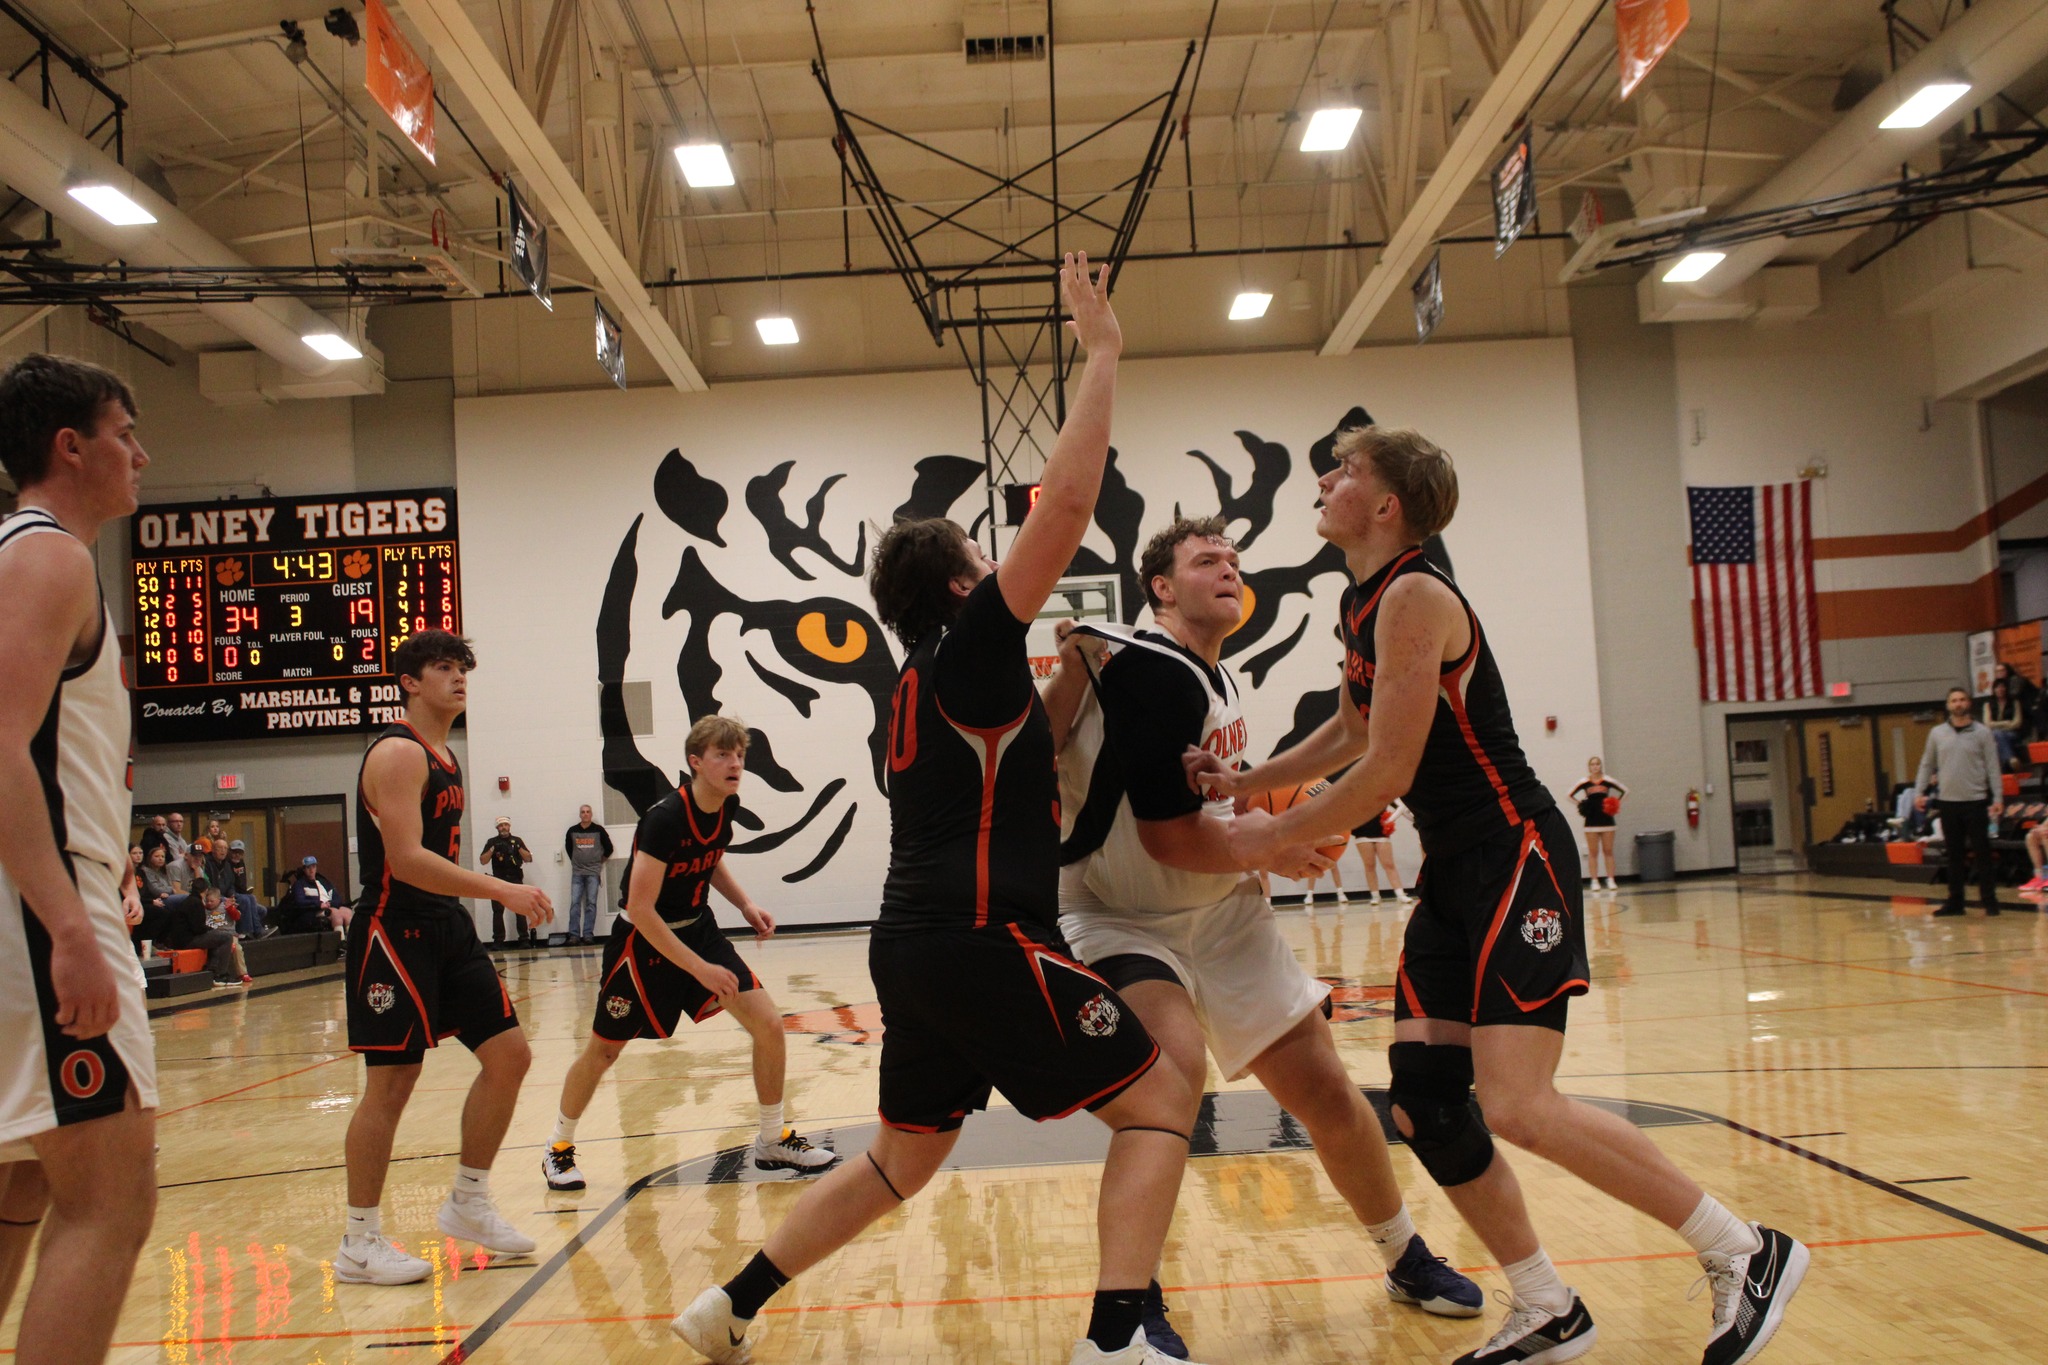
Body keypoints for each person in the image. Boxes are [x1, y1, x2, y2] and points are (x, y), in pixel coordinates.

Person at [675, 254, 1201, 1365]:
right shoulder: (970, 646)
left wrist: (1069, 680)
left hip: (910, 949)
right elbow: (1063, 504)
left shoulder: (920, 685)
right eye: (984, 556)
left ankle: (730, 1302)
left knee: (900, 1160)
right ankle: (1117, 1336)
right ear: (965, 584)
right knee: (1161, 1098)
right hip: (982, 943)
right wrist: (1100, 350)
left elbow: (1022, 758)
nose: (1001, 564)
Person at [1188, 425, 1806, 1365]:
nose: (1324, 478)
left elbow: (1388, 767)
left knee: (1517, 1101)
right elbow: (1353, 725)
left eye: (1346, 469)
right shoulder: (1365, 602)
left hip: (1516, 853)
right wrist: (1246, 785)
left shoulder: (1418, 596)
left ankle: (1745, 1248)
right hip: (1456, 870)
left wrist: (1267, 835)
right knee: (1428, 1101)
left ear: (1387, 504)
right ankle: (1548, 1302)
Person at [1042, 515, 1482, 1356]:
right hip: (1117, 909)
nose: (1229, 570)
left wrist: (1269, 821)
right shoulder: (1147, 668)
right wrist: (1278, 846)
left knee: (1327, 1092)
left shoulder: (1220, 678)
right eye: (1207, 559)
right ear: (1161, 587)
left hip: (1218, 907)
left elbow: (1212, 814)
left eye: (1235, 559)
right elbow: (1167, 837)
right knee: (1172, 1078)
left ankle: (1403, 1254)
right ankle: (1132, 1299)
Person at [0, 352, 160, 1363]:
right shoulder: (48, 554)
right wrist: (69, 925)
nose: (140, 455)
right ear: (71, 445)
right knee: (110, 1201)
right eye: (125, 434)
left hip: (30, 892)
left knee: (20, 1187)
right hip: (40, 898)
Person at [337, 630, 554, 1286]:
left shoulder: (446, 754)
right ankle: (359, 1240)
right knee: (392, 1085)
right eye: (443, 667)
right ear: (409, 680)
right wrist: (501, 888)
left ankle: (468, 1200)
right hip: (392, 929)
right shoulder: (400, 752)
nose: (459, 677)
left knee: (510, 1055)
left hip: (444, 925)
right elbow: (405, 859)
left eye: (463, 667)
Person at [544, 716, 835, 1194]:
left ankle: (771, 1138)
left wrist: (744, 904)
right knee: (604, 1050)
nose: (734, 763)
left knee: (768, 1023)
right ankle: (558, 1148)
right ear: (695, 762)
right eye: (723, 755)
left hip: (698, 930)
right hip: (642, 942)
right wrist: (699, 968)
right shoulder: (664, 819)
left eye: (739, 755)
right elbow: (640, 908)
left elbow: (711, 856)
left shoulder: (725, 805)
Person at [1915, 686, 2003, 918]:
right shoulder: (1936, 733)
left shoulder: (1983, 733)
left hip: (1975, 801)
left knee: (1982, 854)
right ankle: (1955, 902)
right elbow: (1926, 764)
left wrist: (1998, 797)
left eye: (1962, 699)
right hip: (1948, 802)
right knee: (1954, 855)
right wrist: (1918, 792)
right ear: (1948, 705)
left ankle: (1990, 901)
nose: (1958, 703)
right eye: (1954, 700)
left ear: (1969, 703)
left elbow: (1993, 767)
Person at [162, 881, 249, 985]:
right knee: (226, 938)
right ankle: (222, 975)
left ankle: (212, 970)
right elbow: (198, 928)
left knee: (217, 938)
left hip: (181, 939)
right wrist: (210, 930)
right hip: (187, 941)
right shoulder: (196, 903)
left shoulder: (188, 901)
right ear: (205, 890)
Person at [1567, 759, 1627, 892]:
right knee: (1593, 852)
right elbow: (1569, 795)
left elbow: (1625, 791)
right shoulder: (1584, 782)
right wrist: (1581, 804)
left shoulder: (1607, 780)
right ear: (1589, 767)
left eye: (1597, 764)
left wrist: (1616, 803)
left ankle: (1610, 879)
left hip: (1607, 820)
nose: (1595, 766)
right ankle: (1594, 881)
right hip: (1591, 821)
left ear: (1600, 766)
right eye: (1592, 764)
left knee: (1608, 851)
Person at [478, 817, 536, 948]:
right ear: (497, 828)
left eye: (505, 825)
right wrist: (493, 849)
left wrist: (518, 847)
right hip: (498, 879)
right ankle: (498, 940)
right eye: (500, 825)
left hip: (515, 878)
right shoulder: (492, 842)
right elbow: (483, 860)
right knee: (497, 911)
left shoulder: (517, 841)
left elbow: (528, 858)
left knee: (520, 909)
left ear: (509, 826)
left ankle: (524, 938)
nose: (503, 827)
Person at [562, 805, 615, 945]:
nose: (585, 814)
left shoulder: (599, 830)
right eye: (582, 812)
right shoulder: (572, 831)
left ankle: (588, 935)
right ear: (580, 815)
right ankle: (573, 935)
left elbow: (609, 848)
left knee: (591, 904)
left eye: (588, 812)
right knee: (575, 904)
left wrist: (598, 862)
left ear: (591, 814)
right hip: (577, 873)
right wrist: (577, 861)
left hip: (593, 872)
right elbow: (569, 849)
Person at [1350, 802, 1410, 905]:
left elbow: (1401, 806)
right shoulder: (1356, 792)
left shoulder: (1382, 791)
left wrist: (1390, 819)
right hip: (1362, 831)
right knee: (1369, 865)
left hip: (1380, 831)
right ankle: (1375, 896)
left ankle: (1400, 894)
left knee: (1389, 864)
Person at [276, 854, 342, 934]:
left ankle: (350, 942)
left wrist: (330, 903)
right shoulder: (300, 884)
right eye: (308, 867)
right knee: (336, 914)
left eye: (313, 867)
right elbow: (300, 901)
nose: (311, 870)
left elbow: (337, 897)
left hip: (328, 906)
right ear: (304, 869)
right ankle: (340, 942)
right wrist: (319, 904)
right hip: (313, 911)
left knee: (347, 912)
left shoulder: (324, 882)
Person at [221, 840, 272, 939]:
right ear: (229, 852)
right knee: (248, 900)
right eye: (235, 852)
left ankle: (256, 931)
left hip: (241, 893)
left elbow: (242, 883)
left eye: (240, 853)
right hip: (230, 895)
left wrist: (246, 891)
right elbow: (229, 885)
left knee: (262, 910)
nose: (237, 855)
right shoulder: (226, 864)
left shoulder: (241, 863)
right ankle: (250, 932)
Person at [1984, 678, 2025, 771]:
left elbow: (2017, 723)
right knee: (1997, 735)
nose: (2000, 689)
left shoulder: (2015, 702)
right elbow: (1987, 724)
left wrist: (1998, 726)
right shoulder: (1988, 704)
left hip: (2012, 734)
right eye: (1997, 687)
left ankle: (2006, 766)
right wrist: (2006, 723)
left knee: (1998, 736)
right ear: (1994, 690)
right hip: (1996, 734)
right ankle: (2011, 759)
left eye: (2002, 687)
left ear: (2006, 689)